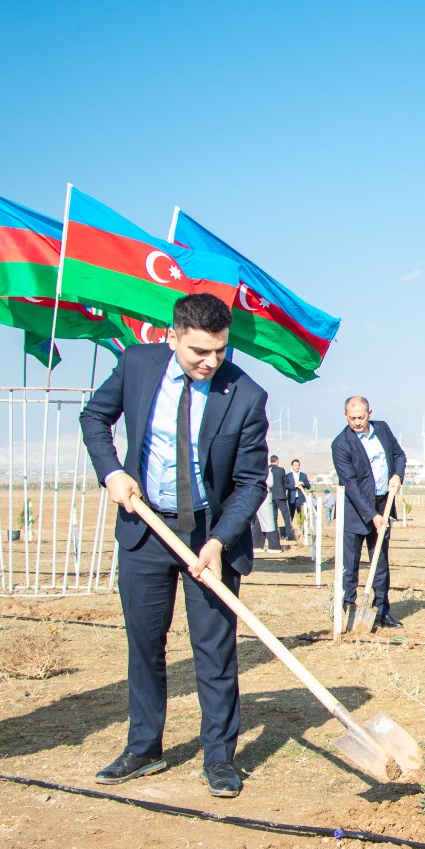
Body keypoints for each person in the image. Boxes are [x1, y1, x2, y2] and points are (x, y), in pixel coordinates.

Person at [80, 293, 268, 799]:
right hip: (144, 527)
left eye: (220, 351)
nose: (210, 362)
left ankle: (220, 758)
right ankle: (144, 747)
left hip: (208, 534)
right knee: (144, 644)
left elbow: (251, 482)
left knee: (214, 650)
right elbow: (93, 419)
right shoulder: (137, 366)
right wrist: (112, 472)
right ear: (172, 337)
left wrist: (218, 541)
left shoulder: (246, 395)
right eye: (198, 352)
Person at [331, 396, 406, 628]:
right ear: (345, 416)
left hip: (383, 502)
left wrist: (397, 475)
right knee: (350, 565)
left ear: (369, 413)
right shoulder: (340, 444)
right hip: (355, 510)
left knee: (380, 562)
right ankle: (346, 610)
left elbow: (398, 455)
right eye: (352, 418)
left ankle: (382, 611)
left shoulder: (382, 429)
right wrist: (372, 516)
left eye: (361, 417)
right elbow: (350, 484)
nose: (356, 422)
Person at [267, 454, 295, 542]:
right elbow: (286, 481)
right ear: (277, 461)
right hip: (280, 496)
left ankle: (276, 536)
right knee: (286, 515)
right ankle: (288, 535)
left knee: (273, 516)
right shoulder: (280, 470)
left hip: (270, 496)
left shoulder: (267, 470)